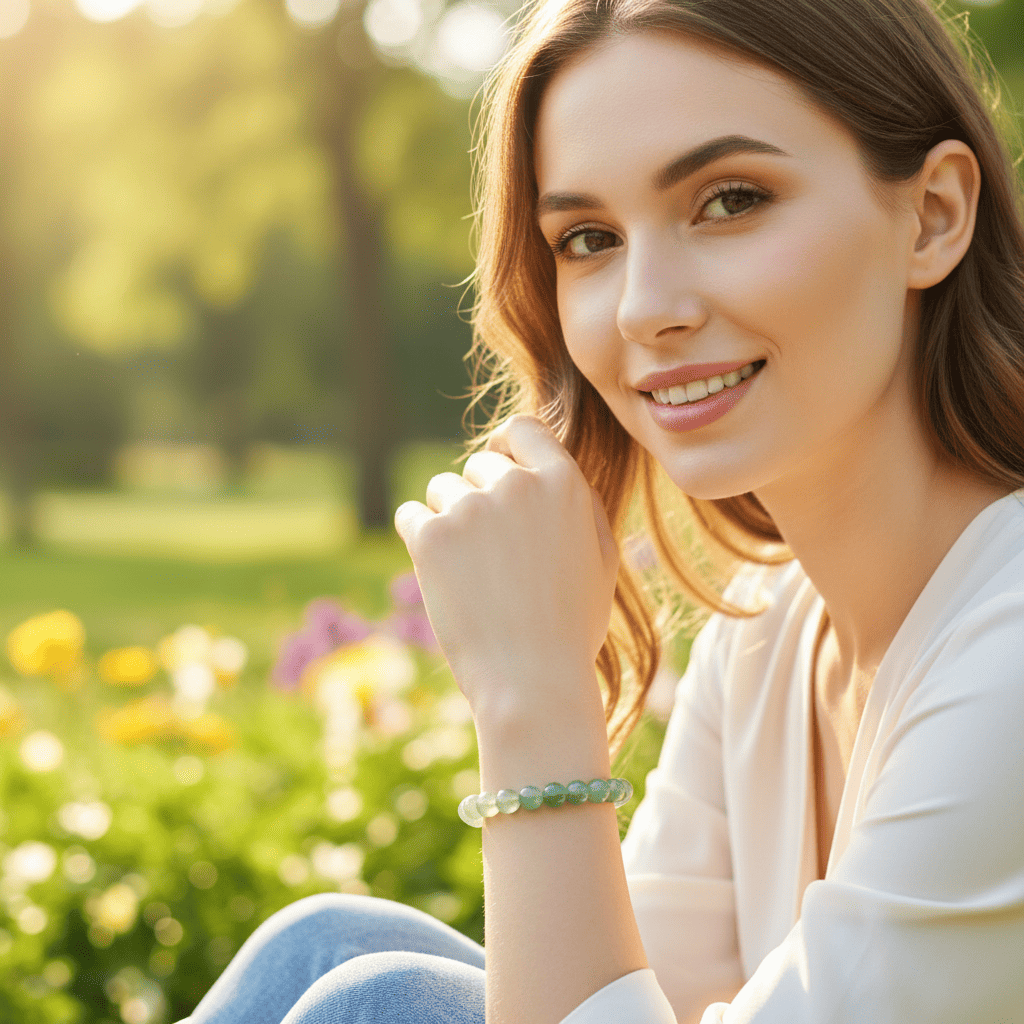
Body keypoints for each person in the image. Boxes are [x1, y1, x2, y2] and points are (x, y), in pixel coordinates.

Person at [178, 0, 1024, 1021]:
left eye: (730, 201)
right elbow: (639, 993)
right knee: (327, 943)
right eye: (588, 239)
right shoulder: (767, 633)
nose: (643, 306)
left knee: (382, 998)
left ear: (931, 214)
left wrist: (531, 702)